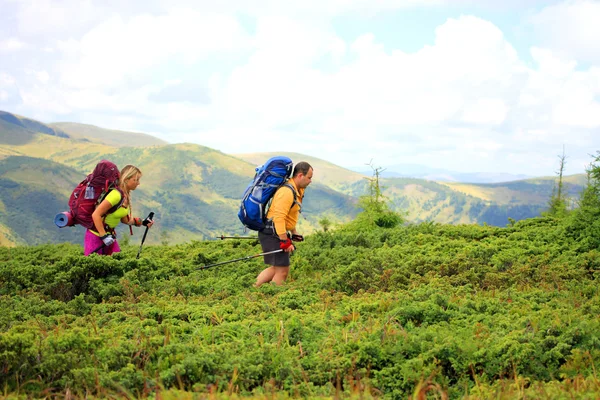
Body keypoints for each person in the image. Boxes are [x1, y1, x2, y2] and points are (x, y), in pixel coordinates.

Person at [255, 161, 313, 287]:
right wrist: (285, 241)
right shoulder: (287, 192)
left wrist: (293, 232)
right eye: (309, 177)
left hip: (273, 231)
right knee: (282, 270)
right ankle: (272, 297)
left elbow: (290, 216)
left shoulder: (296, 190)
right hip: (273, 231)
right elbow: (279, 218)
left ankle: (255, 289)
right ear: (300, 176)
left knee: (277, 268)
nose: (310, 181)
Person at [84, 164, 154, 256]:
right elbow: (95, 215)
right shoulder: (115, 195)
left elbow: (125, 220)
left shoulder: (125, 196)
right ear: (126, 179)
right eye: (135, 180)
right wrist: (103, 236)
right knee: (95, 269)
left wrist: (142, 222)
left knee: (116, 264)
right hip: (96, 237)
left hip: (109, 237)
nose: (138, 183)